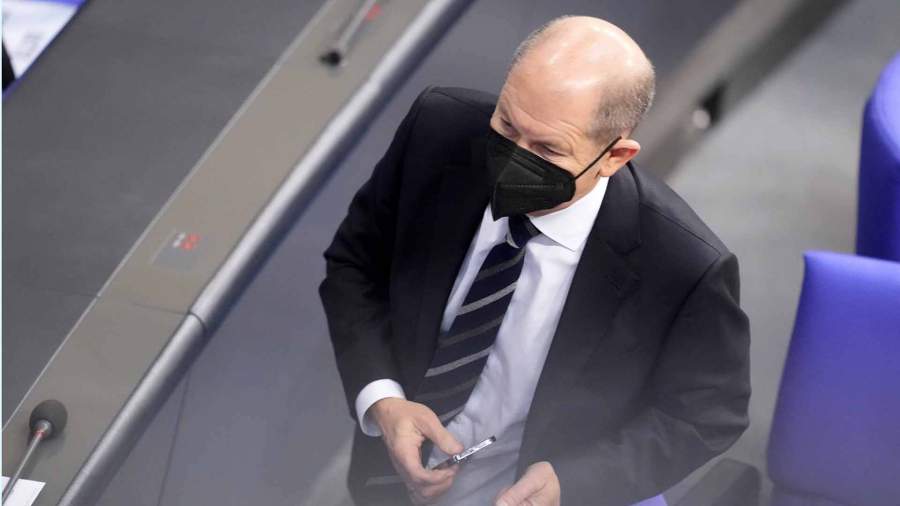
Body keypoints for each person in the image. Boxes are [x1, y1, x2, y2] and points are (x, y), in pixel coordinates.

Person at [319, 15, 750, 506]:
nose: (511, 161)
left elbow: (708, 414)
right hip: (382, 484)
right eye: (506, 125)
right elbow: (356, 263)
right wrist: (383, 399)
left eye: (547, 149)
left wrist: (575, 481)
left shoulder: (683, 266)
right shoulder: (437, 132)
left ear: (615, 157)